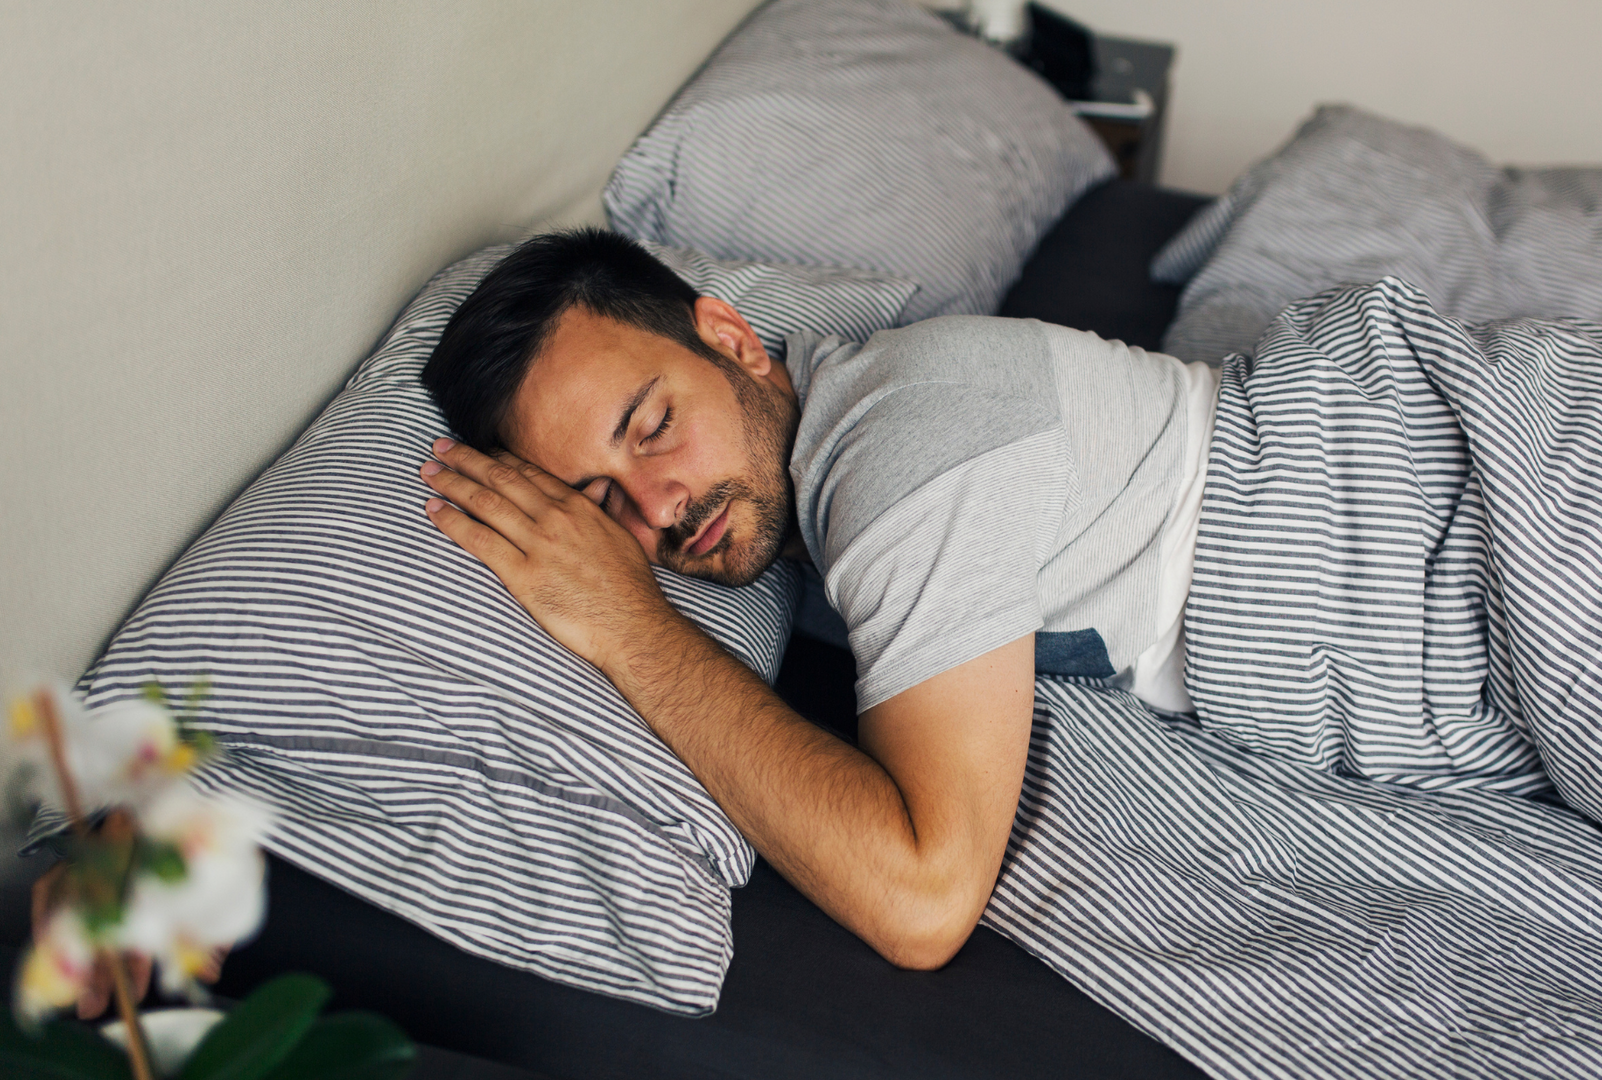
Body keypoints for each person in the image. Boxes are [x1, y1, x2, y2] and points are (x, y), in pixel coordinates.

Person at [415, 228, 1218, 968]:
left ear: (732, 339)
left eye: (654, 424)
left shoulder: (896, 447)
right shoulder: (804, 493)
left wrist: (629, 624)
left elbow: (925, 897)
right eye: (597, 503)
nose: (656, 509)